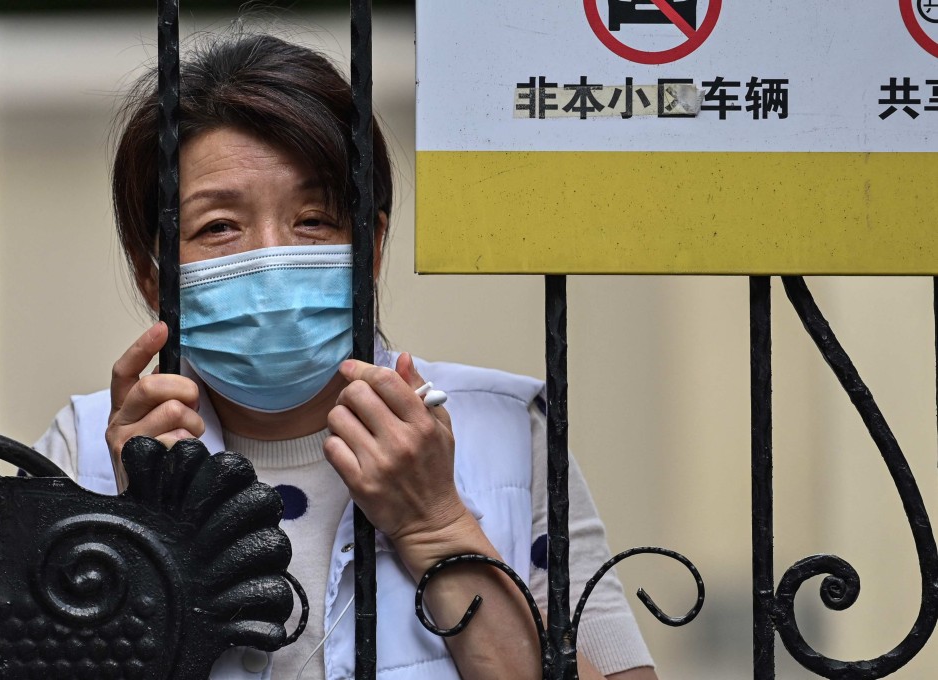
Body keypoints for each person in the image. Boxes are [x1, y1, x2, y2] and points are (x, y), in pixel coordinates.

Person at [34, 32, 656, 680]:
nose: (272, 258)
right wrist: (138, 544)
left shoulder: (506, 433)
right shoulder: (81, 459)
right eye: (218, 226)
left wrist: (437, 526)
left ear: (373, 246)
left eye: (314, 220)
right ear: (151, 275)